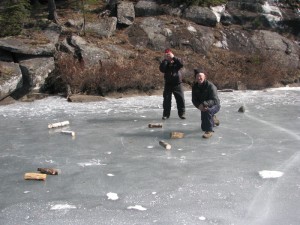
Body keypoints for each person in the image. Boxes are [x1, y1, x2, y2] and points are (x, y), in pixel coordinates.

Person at [192, 68, 220, 138]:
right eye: (197, 76)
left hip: (215, 105)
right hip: (203, 105)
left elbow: (215, 100)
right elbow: (194, 99)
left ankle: (209, 131)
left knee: (207, 111)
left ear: (204, 77)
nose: (199, 78)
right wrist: (199, 106)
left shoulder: (211, 86)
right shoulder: (195, 87)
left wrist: (204, 104)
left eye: (200, 76)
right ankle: (213, 119)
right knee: (203, 127)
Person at [159, 48, 186, 120]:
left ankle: (182, 113)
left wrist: (173, 57)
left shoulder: (177, 61)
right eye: (166, 55)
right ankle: (166, 115)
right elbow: (162, 69)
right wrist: (166, 60)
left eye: (169, 55)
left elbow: (181, 64)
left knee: (180, 99)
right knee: (166, 100)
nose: (168, 56)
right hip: (168, 84)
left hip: (178, 83)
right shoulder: (165, 62)